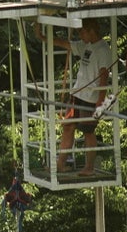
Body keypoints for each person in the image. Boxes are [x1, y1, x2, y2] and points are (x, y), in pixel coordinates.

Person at [34, 19, 111, 176]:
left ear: (91, 31)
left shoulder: (102, 49)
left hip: (90, 97)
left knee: (88, 131)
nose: (80, 35)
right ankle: (60, 164)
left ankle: (89, 167)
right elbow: (64, 44)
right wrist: (43, 37)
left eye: (82, 32)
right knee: (68, 127)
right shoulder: (86, 45)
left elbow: (104, 76)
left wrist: (100, 101)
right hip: (77, 94)